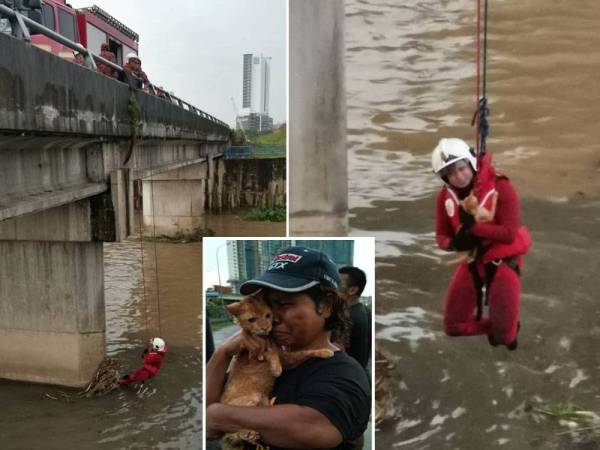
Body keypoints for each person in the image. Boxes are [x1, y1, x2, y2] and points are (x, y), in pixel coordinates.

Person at [206, 246, 371, 450]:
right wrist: (224, 352)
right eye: (268, 306)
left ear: (326, 306)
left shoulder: (344, 374)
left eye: (284, 305)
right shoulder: (260, 357)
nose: (272, 318)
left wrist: (219, 415)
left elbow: (315, 429)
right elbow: (208, 427)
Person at [432, 138, 531, 350]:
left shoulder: (500, 186)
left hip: (503, 262)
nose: (459, 177)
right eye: (450, 174)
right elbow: (441, 236)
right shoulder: (445, 197)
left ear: (470, 163)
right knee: (453, 326)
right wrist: (454, 243)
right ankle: (498, 327)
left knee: (505, 337)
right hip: (472, 261)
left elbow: (509, 233)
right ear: (444, 177)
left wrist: (474, 229)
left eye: (461, 168)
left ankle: (507, 330)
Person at [338, 266, 371, 370]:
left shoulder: (347, 317)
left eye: (338, 283)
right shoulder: (365, 311)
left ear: (352, 290)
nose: (332, 287)